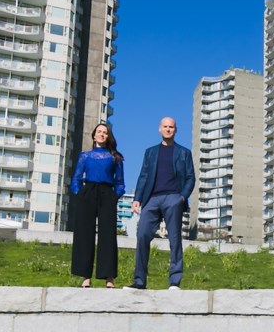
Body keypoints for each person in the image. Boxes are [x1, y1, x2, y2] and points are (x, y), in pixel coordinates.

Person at [125, 116, 195, 290]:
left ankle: (174, 281)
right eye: (165, 126)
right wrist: (137, 199)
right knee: (142, 235)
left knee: (174, 239)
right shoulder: (150, 152)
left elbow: (190, 178)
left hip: (173, 198)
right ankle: (139, 281)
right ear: (159, 129)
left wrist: (182, 197)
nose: (168, 129)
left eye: (171, 127)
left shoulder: (184, 153)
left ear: (176, 130)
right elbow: (143, 176)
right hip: (152, 199)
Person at [70, 123, 125, 288]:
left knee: (108, 235)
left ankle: (109, 277)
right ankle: (85, 276)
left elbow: (120, 182)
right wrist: (79, 194)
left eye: (105, 132)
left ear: (108, 137)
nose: (102, 134)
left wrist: (115, 196)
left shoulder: (115, 157)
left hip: (107, 194)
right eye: (99, 132)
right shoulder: (84, 156)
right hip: (88, 193)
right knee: (84, 234)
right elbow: (76, 178)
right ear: (94, 135)